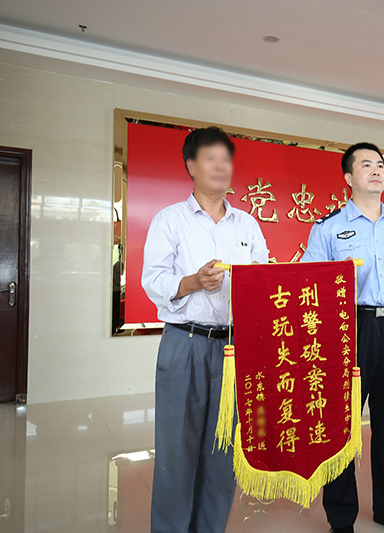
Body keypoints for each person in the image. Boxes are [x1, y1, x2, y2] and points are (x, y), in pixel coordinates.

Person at [142, 126, 269, 533]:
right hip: (185, 344)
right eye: (210, 157)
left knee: (223, 453)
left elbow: (263, 281)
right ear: (191, 166)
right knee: (177, 453)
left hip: (234, 350)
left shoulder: (247, 225)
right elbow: (153, 279)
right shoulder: (169, 220)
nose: (220, 166)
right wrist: (193, 282)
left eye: (226, 158)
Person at [302, 142, 384, 533]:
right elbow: (311, 285)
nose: (376, 170)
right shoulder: (328, 227)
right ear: (348, 177)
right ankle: (341, 518)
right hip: (348, 330)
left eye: (381, 165)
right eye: (366, 164)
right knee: (341, 425)